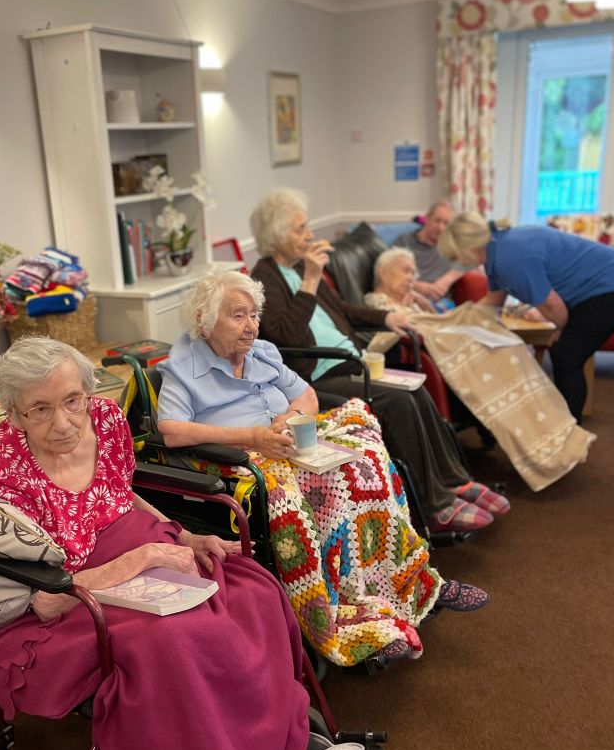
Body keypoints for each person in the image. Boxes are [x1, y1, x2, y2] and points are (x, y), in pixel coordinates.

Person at [0, 336, 388, 750]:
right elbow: (45, 599)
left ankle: (301, 743)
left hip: (146, 552)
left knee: (253, 595)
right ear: (14, 413)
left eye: (72, 400)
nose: (63, 422)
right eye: (39, 409)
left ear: (87, 392)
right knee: (172, 646)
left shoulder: (105, 419)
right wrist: (142, 558)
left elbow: (120, 494)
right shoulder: (3, 469)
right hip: (75, 594)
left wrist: (182, 534)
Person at [156, 270, 489, 669]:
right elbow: (171, 431)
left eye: (254, 315)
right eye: (238, 316)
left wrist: (288, 419)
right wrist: (252, 436)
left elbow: (307, 396)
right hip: (243, 463)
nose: (251, 326)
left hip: (287, 446)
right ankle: (344, 613)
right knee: (318, 498)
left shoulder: (263, 352)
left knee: (365, 464)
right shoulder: (183, 367)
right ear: (204, 320)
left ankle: (412, 581)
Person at [248, 187, 509, 533]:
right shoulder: (265, 277)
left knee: (416, 391)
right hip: (319, 374)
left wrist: (385, 317)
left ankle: (454, 481)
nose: (309, 235)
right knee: (398, 402)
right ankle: (435, 506)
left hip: (350, 360)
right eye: (300, 229)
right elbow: (287, 336)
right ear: (277, 234)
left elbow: (342, 310)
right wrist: (310, 280)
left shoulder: (300, 265)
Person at [366, 246, 596, 492]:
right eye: (405, 271)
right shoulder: (376, 301)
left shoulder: (411, 299)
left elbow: (436, 318)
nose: (411, 277)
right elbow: (412, 329)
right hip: (433, 352)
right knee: (498, 356)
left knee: (508, 347)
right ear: (384, 272)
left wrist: (420, 300)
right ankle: (539, 446)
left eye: (413, 272)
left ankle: (554, 434)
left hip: (443, 341)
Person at [438, 212, 614, 423]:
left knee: (566, 355)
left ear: (469, 249)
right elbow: (492, 301)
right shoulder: (497, 248)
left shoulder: (509, 258)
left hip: (612, 285)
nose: (458, 263)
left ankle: (571, 427)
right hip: (599, 287)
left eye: (456, 257)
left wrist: (561, 328)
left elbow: (551, 305)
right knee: (564, 353)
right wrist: (454, 322)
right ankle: (567, 423)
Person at [393, 200, 466, 303]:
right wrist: (416, 286)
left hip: (440, 304)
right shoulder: (404, 242)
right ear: (427, 218)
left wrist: (447, 279)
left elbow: (473, 261)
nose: (440, 228)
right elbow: (392, 274)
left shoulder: (452, 245)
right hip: (409, 298)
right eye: (437, 221)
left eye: (446, 223)